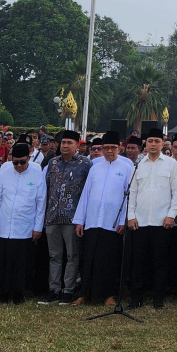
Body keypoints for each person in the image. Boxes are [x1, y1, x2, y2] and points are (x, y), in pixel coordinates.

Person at [72, 131, 134, 307]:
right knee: (88, 259)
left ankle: (109, 295)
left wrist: (123, 220)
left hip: (112, 222)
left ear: (119, 148)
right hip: (92, 221)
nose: (109, 151)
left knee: (109, 260)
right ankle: (85, 294)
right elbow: (86, 194)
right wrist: (80, 220)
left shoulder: (126, 167)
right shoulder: (95, 167)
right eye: (105, 148)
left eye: (113, 148)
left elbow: (128, 196)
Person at [127, 129, 177, 310]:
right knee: (138, 263)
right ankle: (136, 298)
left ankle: (158, 298)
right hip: (140, 222)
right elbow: (132, 192)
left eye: (156, 141)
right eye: (150, 141)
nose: (153, 144)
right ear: (145, 143)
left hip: (162, 222)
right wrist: (131, 216)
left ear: (162, 144)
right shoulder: (138, 165)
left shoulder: (171, 164)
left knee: (160, 262)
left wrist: (171, 215)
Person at [0, 142, 46, 303]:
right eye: (15, 162)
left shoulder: (37, 175)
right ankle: (3, 292)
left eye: (22, 162)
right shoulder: (4, 174)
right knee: (3, 261)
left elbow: (41, 204)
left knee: (22, 262)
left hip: (26, 226)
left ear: (28, 159)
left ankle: (19, 292)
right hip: (4, 225)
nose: (19, 166)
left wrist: (37, 227)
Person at [39, 129, 89, 305]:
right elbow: (45, 189)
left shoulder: (85, 164)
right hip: (52, 216)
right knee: (54, 255)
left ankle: (68, 291)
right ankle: (54, 289)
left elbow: (88, 192)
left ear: (77, 145)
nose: (65, 146)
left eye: (69, 143)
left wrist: (82, 219)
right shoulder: (52, 163)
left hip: (73, 218)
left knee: (72, 256)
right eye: (63, 143)